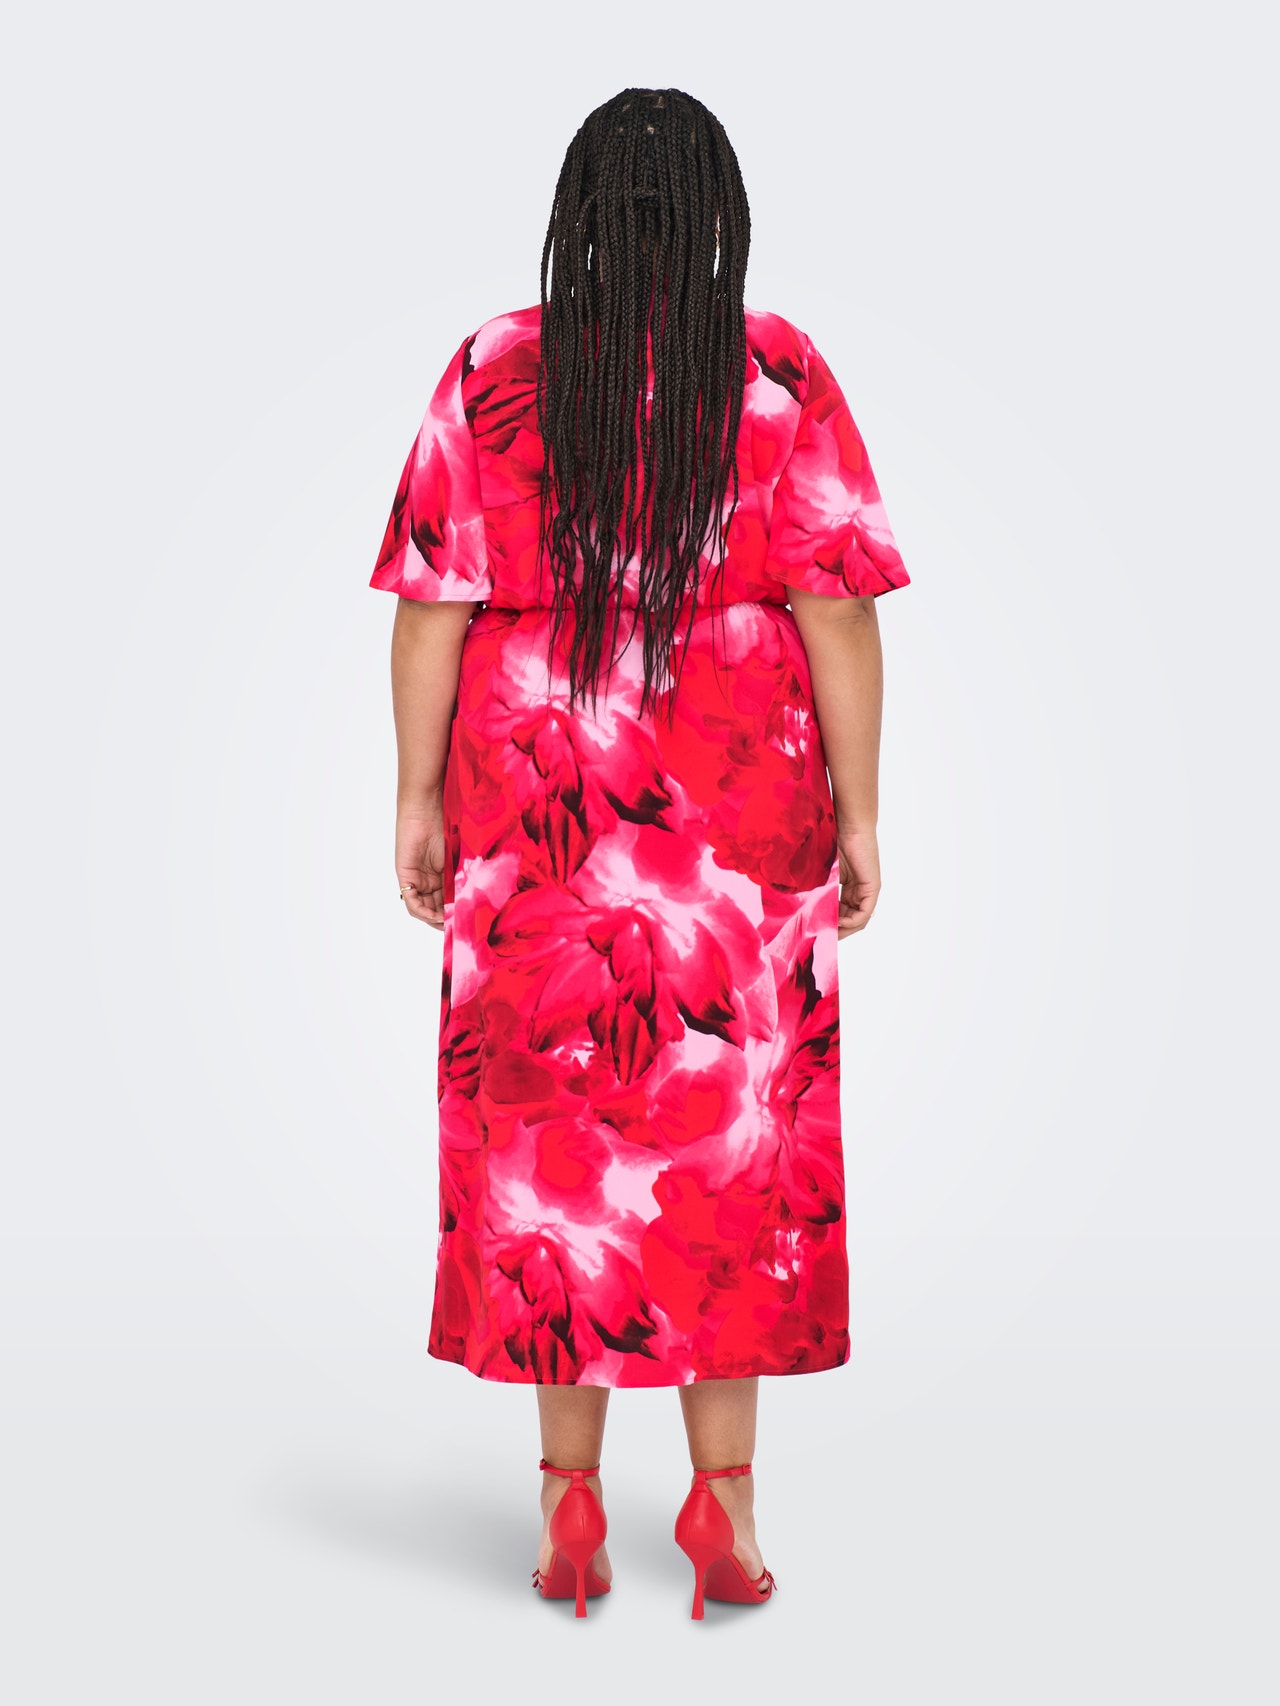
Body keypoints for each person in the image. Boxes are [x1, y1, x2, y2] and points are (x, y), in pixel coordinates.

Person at [369, 86, 910, 1620]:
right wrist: (863, 810)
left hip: (535, 792)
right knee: (732, 1143)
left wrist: (415, 798)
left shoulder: (498, 365)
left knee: (558, 1145)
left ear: (582, 217)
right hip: (736, 811)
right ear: (718, 218)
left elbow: (432, 608)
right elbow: (838, 610)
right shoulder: (774, 368)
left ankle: (570, 1500)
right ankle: (723, 1504)